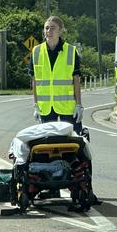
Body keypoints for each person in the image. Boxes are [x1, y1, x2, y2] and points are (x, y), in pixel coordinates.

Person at [28, 15, 84, 199]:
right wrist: (35, 104)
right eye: (46, 28)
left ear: (61, 31)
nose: (48, 31)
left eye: (52, 28)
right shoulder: (36, 52)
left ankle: (79, 186)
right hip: (46, 108)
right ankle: (53, 186)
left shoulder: (70, 51)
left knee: (74, 146)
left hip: (68, 108)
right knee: (49, 147)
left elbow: (76, 80)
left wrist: (79, 104)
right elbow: (35, 81)